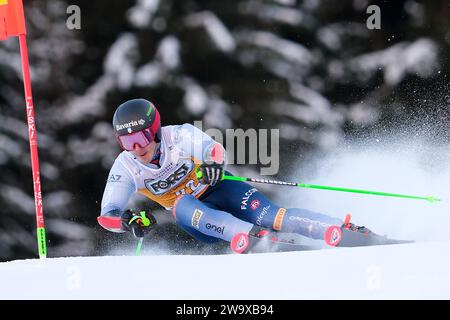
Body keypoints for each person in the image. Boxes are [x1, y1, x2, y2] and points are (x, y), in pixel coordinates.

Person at [98, 98, 377, 253]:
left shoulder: (178, 135)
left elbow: (213, 149)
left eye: (141, 137)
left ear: (155, 129)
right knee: (181, 203)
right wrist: (127, 221)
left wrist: (212, 164)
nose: (137, 147)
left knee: (270, 215)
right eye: (127, 141)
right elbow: (106, 215)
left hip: (221, 188)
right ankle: (253, 237)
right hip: (197, 218)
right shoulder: (126, 167)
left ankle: (337, 228)